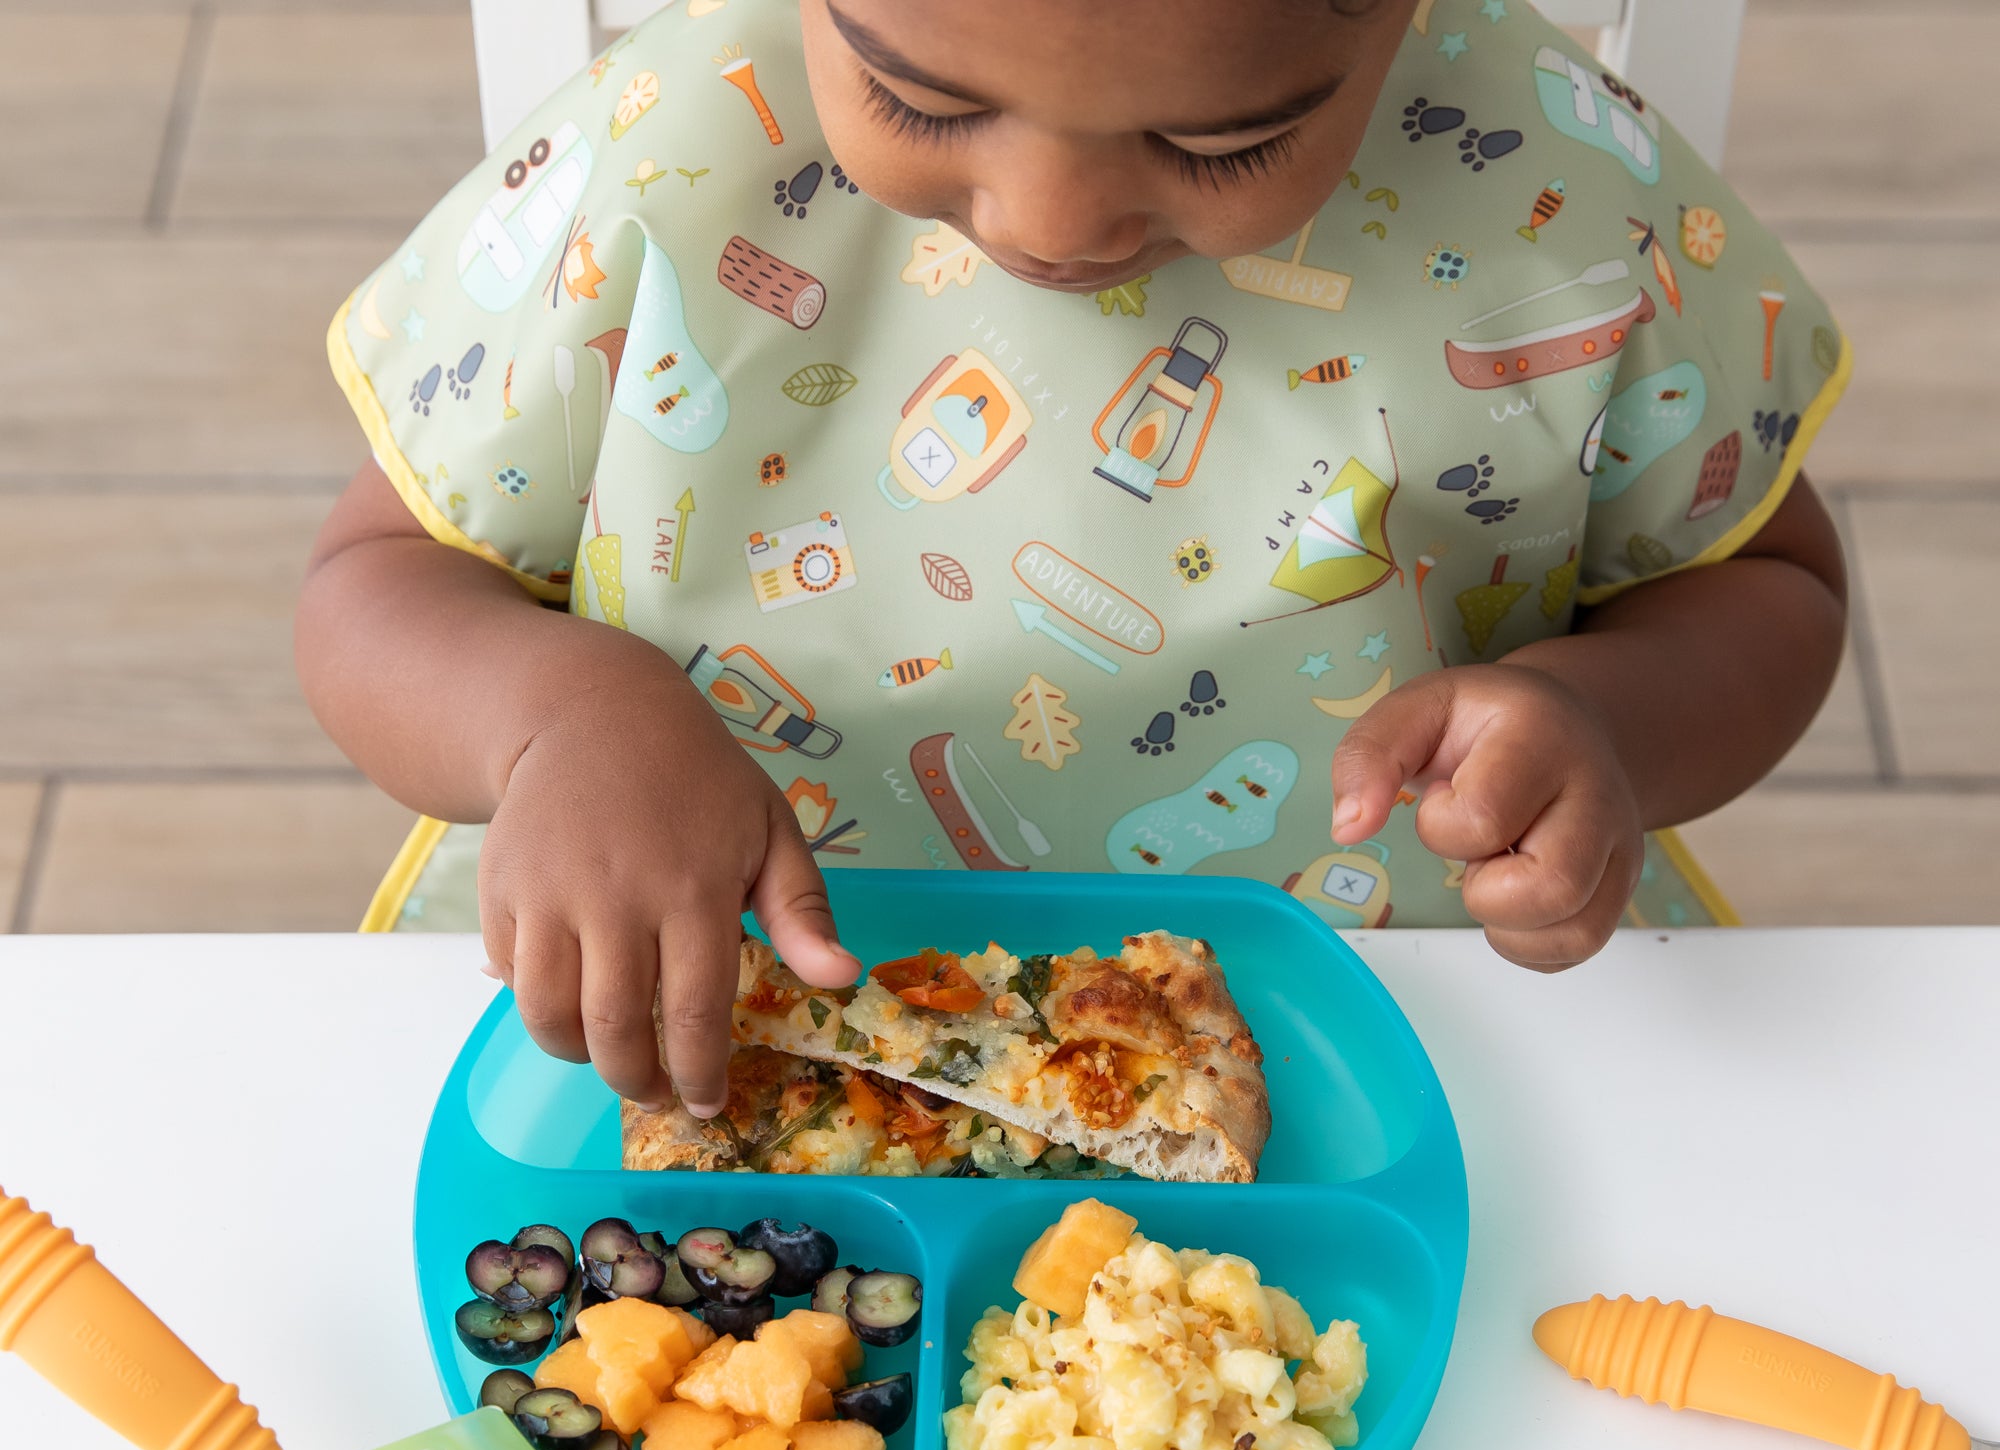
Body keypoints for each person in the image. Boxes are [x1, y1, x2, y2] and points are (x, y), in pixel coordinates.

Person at [297, 0, 1849, 1120]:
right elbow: (376, 581)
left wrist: (1605, 729)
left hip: (1397, 1025)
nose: (1051, 220)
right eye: (919, 101)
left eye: (1221, 139)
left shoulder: (1557, 194)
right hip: (704, 1003)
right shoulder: (675, 153)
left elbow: (1767, 589)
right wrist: (552, 721)